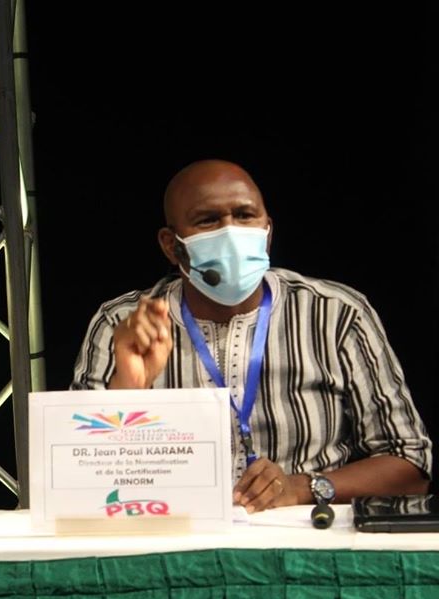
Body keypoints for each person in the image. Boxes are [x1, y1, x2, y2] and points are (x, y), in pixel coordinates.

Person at [72, 159, 432, 513]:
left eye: (245, 216)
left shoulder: (335, 314)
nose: (231, 232)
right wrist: (128, 389)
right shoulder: (122, 323)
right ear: (171, 244)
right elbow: (72, 478)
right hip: (171, 534)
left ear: (267, 231)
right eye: (208, 220)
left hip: (309, 537)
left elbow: (410, 463)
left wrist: (303, 487)